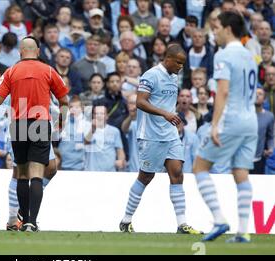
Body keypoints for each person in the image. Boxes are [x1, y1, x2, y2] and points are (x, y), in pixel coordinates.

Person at [119, 44, 201, 234]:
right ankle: (126, 219)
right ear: (168, 59)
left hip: (170, 134)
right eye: (178, 62)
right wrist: (165, 113)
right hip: (150, 135)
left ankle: (182, 224)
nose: (181, 67)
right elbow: (140, 102)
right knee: (146, 176)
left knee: (177, 174)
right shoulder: (151, 75)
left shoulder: (174, 77)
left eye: (183, 64)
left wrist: (171, 117)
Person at [0, 36, 69, 232]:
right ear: (39, 51)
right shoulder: (49, 70)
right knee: (37, 174)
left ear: (20, 51)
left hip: (18, 124)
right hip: (40, 123)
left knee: (22, 175)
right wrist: (61, 120)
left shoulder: (11, 71)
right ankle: (30, 222)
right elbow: (64, 100)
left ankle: (22, 217)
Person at [193, 12, 258, 243]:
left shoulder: (224, 55)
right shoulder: (250, 55)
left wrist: (215, 124)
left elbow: (223, 91)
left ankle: (219, 219)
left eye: (216, 27)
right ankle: (242, 232)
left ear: (228, 29)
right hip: (251, 121)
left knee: (200, 166)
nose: (214, 32)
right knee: (240, 172)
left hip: (231, 119)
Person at [0, 94, 61, 230]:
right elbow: (1, 104)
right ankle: (12, 220)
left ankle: (24, 207)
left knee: (51, 168)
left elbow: (54, 102)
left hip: (41, 129)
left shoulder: (44, 75)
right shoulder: (15, 75)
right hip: (19, 129)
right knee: (20, 173)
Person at [84, 105, 126, 172]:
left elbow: (120, 150)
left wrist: (121, 160)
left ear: (107, 116)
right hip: (91, 172)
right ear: (93, 116)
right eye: (96, 113)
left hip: (110, 172)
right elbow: (85, 142)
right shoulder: (86, 128)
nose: (99, 116)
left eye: (102, 113)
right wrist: (92, 129)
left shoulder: (115, 131)